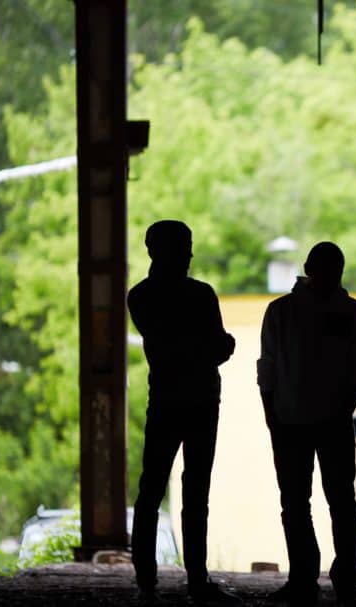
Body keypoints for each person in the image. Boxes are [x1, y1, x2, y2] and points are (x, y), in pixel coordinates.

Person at [128, 219, 240, 604]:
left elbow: (170, 347)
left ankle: (146, 580)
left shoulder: (140, 297)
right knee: (196, 491)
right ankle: (196, 579)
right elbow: (218, 347)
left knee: (151, 488)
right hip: (202, 400)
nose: (190, 253)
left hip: (165, 400)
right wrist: (210, 346)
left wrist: (201, 347)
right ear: (166, 250)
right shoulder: (201, 295)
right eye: (185, 245)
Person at [257, 242, 356, 607]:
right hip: (327, 422)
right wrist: (341, 412)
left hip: (291, 420)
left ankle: (305, 579)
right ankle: (344, 577)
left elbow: (268, 370)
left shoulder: (281, 312)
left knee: (297, 503)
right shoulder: (353, 313)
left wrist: (272, 417)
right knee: (340, 501)